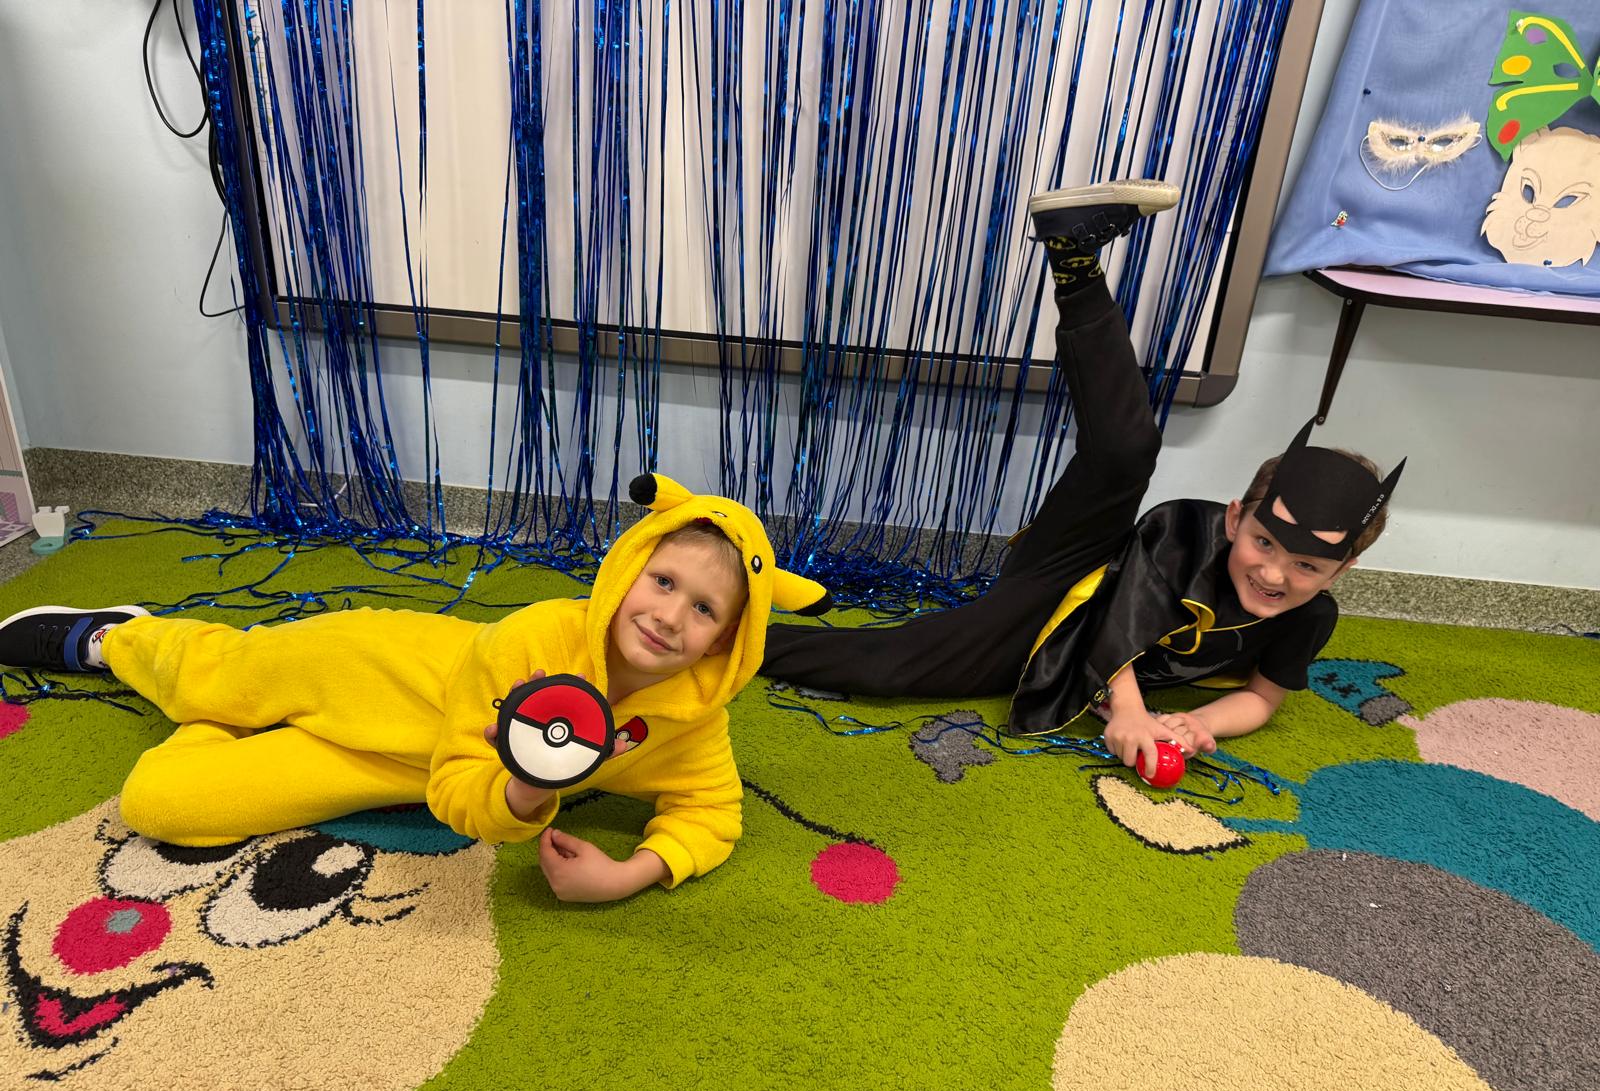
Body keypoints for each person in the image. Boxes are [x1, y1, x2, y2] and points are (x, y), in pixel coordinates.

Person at [763, 179, 1405, 775]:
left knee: (902, 669)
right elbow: (1119, 615)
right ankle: (1074, 261)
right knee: (1125, 452)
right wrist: (1128, 709)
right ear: (1235, 517)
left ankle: (741, 639)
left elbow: (1262, 698)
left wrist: (1198, 723)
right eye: (1264, 543)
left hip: (1056, 652)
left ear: (1340, 571)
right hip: (1071, 573)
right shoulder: (1189, 532)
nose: (1274, 574)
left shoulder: (1308, 616)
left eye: (1306, 566)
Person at [0, 474, 830, 902]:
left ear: (730, 641)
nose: (670, 616)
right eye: (663, 582)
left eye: (705, 609)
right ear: (628, 570)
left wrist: (626, 870)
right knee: (216, 674)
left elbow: (711, 811)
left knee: (160, 804)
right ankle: (118, 637)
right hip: (376, 664)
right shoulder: (535, 637)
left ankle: (219, 726)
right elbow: (466, 760)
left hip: (396, 766)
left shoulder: (692, 719)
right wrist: (524, 778)